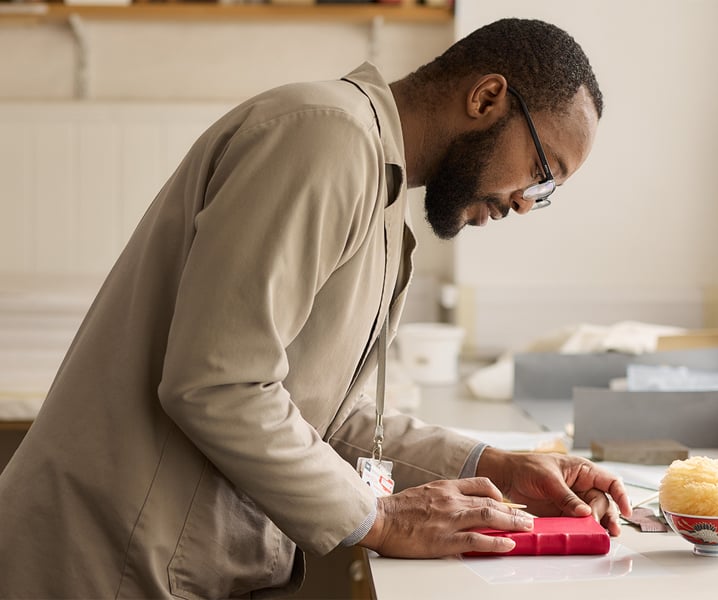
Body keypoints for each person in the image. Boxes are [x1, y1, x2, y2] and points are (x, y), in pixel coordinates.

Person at [0, 17, 631, 598]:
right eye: (542, 172)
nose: (525, 203)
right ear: (487, 97)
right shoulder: (326, 137)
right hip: (108, 565)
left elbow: (322, 415)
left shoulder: (377, 183)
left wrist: (494, 468)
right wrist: (382, 519)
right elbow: (218, 385)